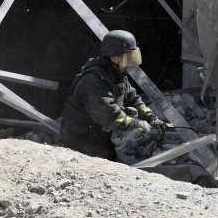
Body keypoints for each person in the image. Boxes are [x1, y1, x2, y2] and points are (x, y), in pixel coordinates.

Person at [58, 30, 167, 161]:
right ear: (115, 57)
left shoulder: (117, 74)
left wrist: (149, 116)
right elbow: (108, 116)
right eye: (129, 57)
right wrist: (136, 123)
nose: (131, 62)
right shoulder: (94, 80)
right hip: (79, 141)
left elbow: (132, 98)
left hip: (98, 138)